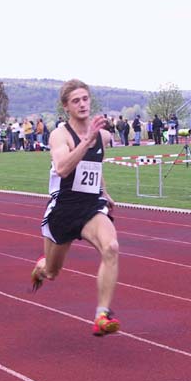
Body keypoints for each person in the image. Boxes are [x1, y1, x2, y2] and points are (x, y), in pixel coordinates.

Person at [30, 79, 120, 337]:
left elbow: (95, 167)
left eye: (85, 99)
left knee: (111, 248)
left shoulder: (103, 135)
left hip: (91, 206)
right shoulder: (60, 135)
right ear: (66, 107)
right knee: (52, 272)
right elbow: (62, 168)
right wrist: (86, 140)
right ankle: (41, 267)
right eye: (76, 101)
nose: (82, 104)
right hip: (64, 209)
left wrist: (104, 191)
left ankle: (101, 315)